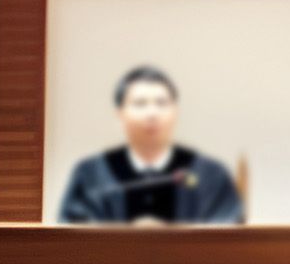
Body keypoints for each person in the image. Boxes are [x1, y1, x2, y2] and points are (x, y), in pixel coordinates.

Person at [58, 65, 243, 224]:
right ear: (119, 113)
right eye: (140, 103)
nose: (152, 113)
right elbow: (71, 243)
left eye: (161, 103)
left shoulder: (209, 174)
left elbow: (228, 239)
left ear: (176, 112)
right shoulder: (91, 174)